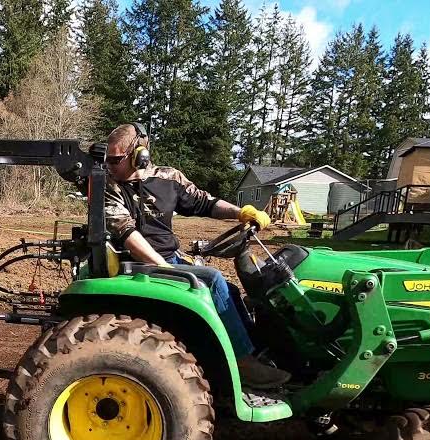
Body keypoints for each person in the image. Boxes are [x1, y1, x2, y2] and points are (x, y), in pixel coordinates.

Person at [101, 122, 291, 389]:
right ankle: (242, 364)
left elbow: (205, 202)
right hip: (139, 265)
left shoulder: (168, 178)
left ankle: (258, 352)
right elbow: (127, 234)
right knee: (213, 279)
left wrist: (241, 213)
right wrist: (164, 266)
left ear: (139, 154)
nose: (109, 165)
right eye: (107, 159)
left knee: (232, 293)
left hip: (169, 260)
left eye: (115, 159)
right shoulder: (108, 187)